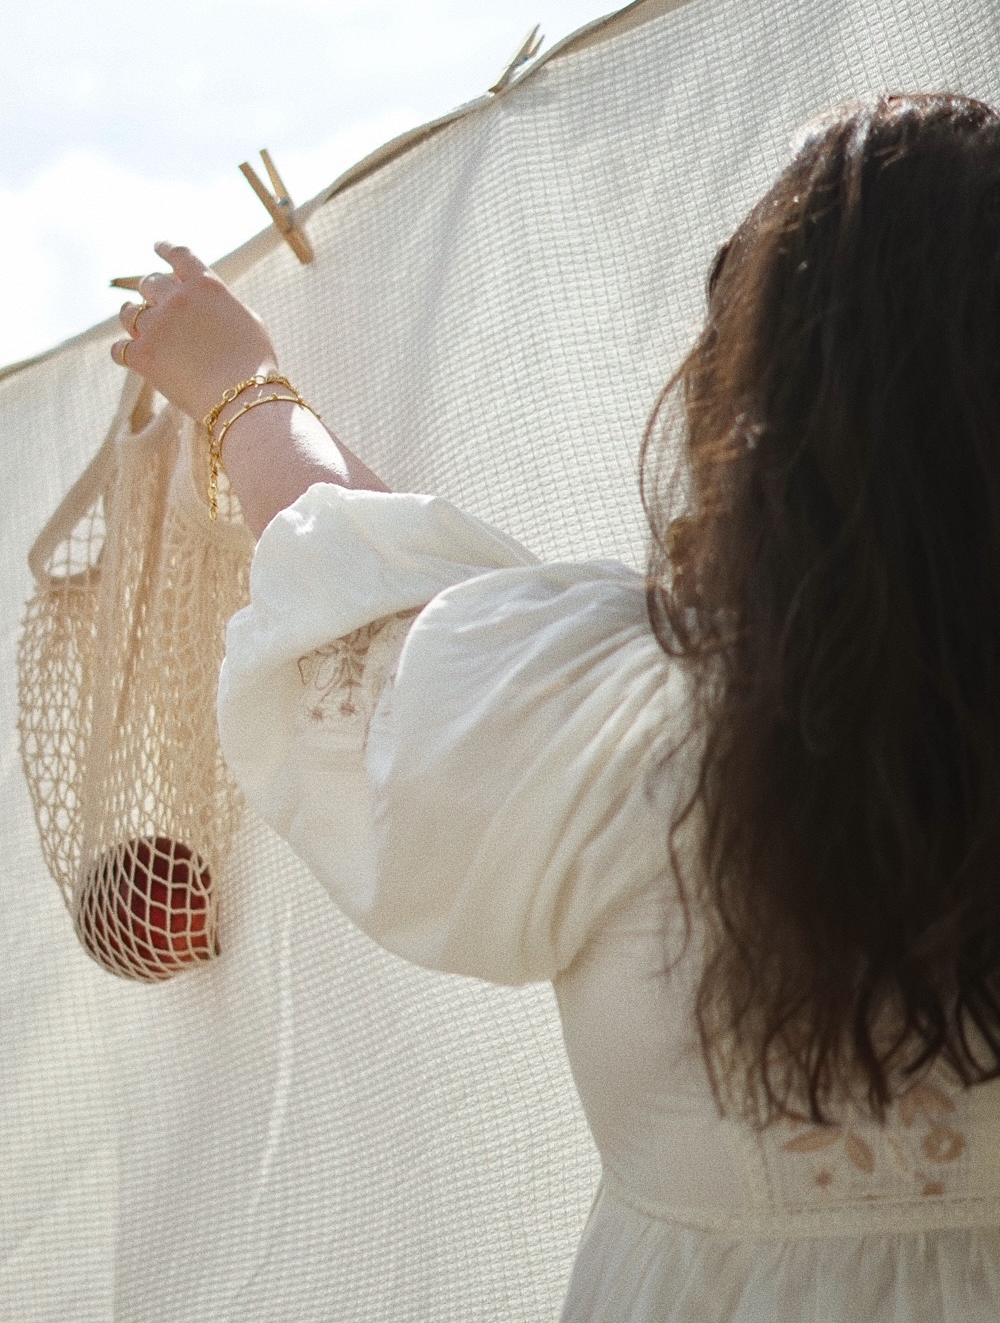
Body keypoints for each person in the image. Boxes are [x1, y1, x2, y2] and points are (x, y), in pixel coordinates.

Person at [111, 92, 1000, 1321]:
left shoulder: (637, 722)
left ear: (766, 401)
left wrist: (244, 386)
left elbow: (391, 621)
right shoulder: (631, 707)